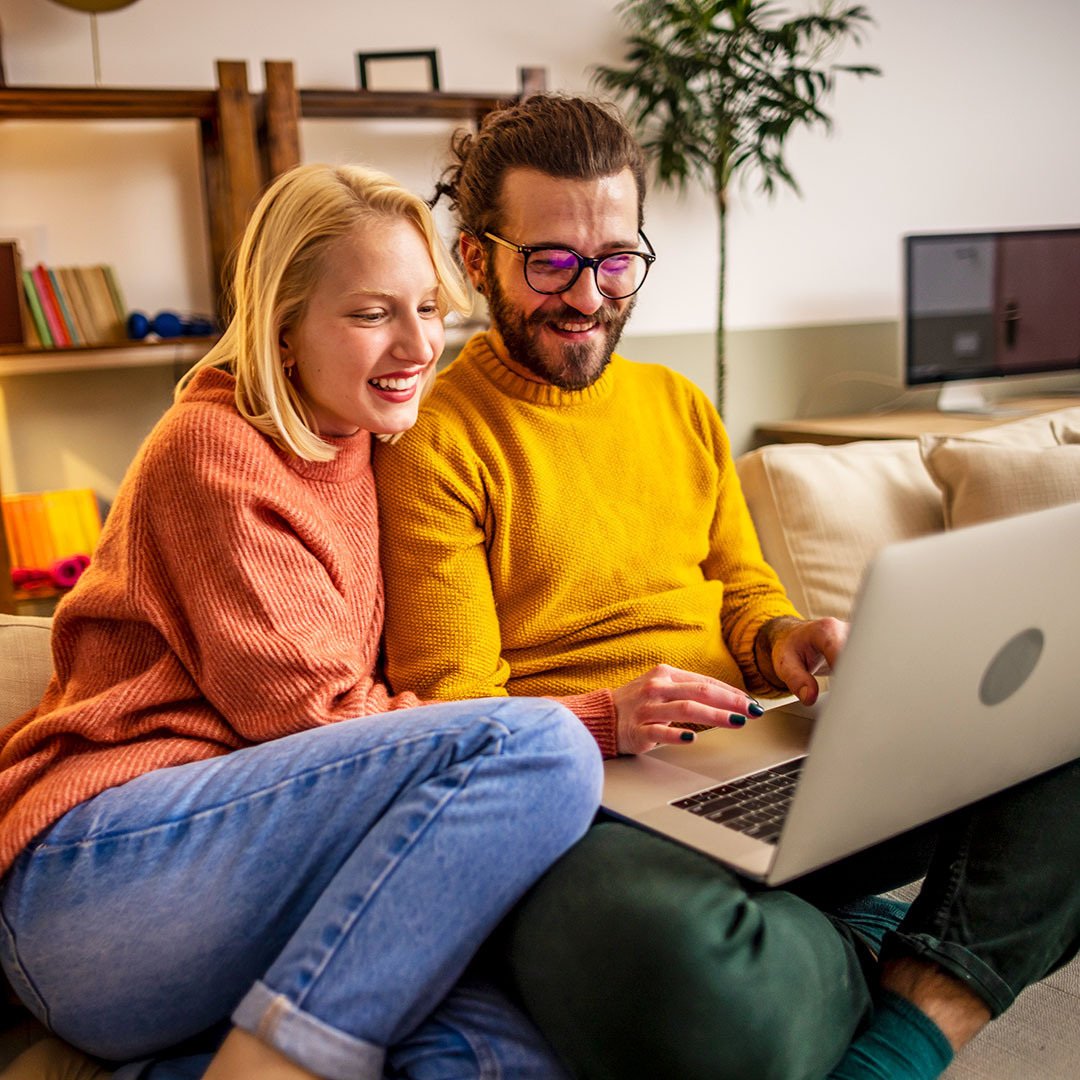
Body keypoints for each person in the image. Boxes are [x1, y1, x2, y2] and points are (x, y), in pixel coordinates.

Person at [372, 95, 1080, 1080]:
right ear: (474, 257)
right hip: (585, 805)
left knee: (1060, 723)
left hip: (754, 752)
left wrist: (786, 640)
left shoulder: (679, 405)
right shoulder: (433, 446)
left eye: (617, 260)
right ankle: (886, 951)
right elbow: (456, 716)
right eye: (550, 262)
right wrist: (610, 715)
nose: (586, 298)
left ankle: (899, 1028)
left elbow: (741, 590)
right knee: (665, 960)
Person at [0, 162, 611, 1080]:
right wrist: (598, 720)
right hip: (97, 883)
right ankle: (276, 1060)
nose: (417, 346)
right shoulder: (211, 448)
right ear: (283, 330)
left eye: (429, 309)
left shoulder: (369, 440)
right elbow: (318, 716)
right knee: (544, 749)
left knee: (505, 1056)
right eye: (371, 314)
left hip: (240, 886)